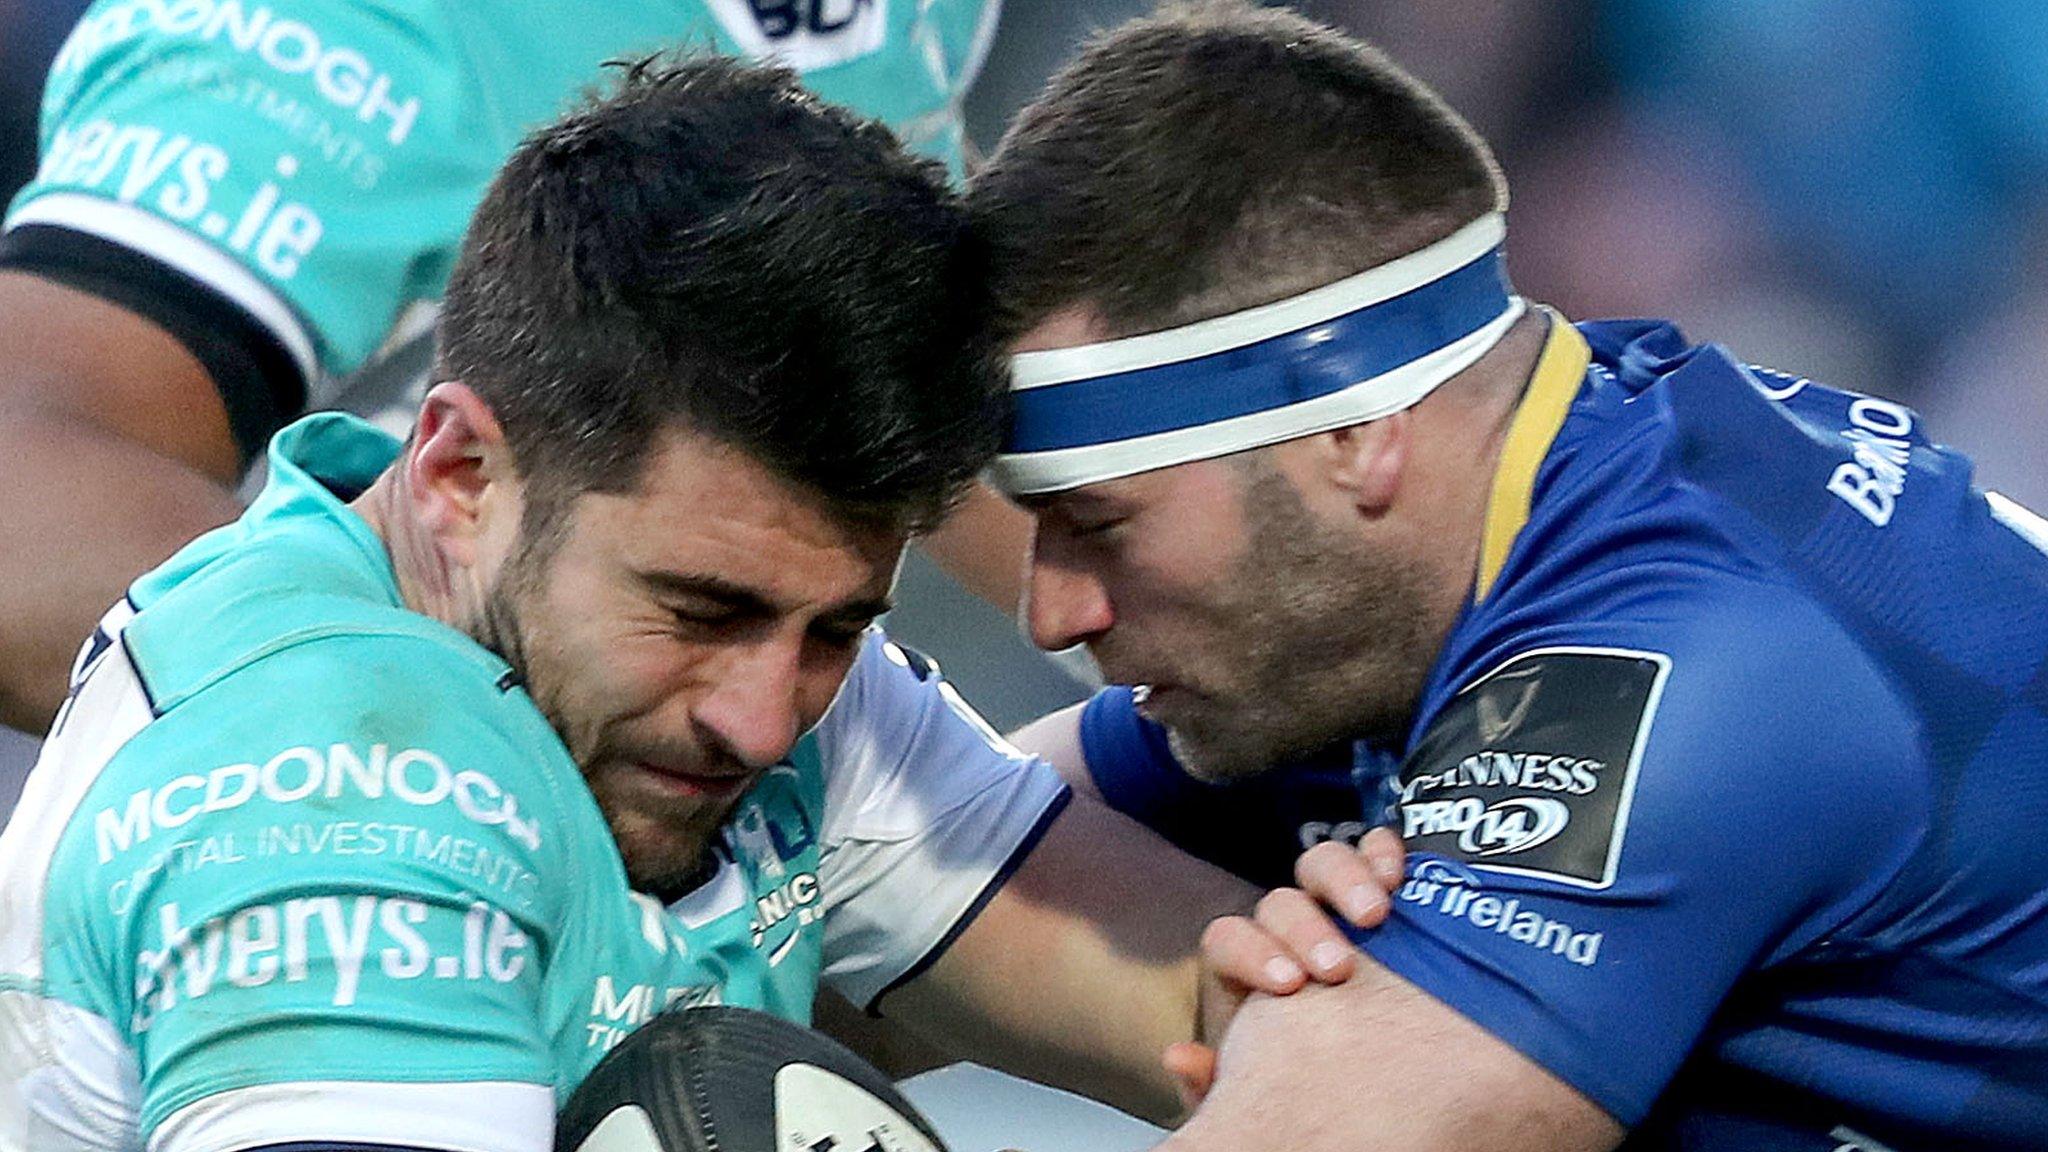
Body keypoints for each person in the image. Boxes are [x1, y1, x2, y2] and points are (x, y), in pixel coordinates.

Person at [0, 56, 1337, 1152]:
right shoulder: (334, 796)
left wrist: (1398, 920)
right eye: (700, 610)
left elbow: (1220, 1002)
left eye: (837, 628)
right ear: (462, 471)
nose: (762, 721)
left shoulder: (731, 676)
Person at [973, 6, 2048, 1148]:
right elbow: (942, 844)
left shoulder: (1678, 664)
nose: (1051, 613)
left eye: (1099, 524)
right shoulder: (1470, 530)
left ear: (1353, 432)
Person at [0, 0, 1012, 733]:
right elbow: (22, 502)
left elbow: (893, 385)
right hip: (369, 871)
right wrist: (518, 745)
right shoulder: (373, 26)